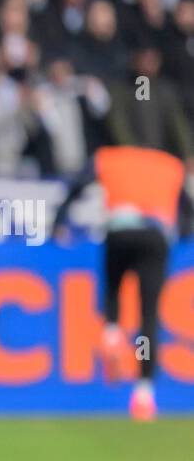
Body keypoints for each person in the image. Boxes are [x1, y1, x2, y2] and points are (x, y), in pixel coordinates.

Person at [51, 145, 192, 419]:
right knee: (148, 315)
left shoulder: (109, 157)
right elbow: (187, 212)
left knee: (113, 291)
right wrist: (181, 236)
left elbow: (76, 186)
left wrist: (58, 221)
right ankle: (144, 392)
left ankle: (112, 333)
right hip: (155, 235)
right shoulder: (170, 165)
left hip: (119, 231)